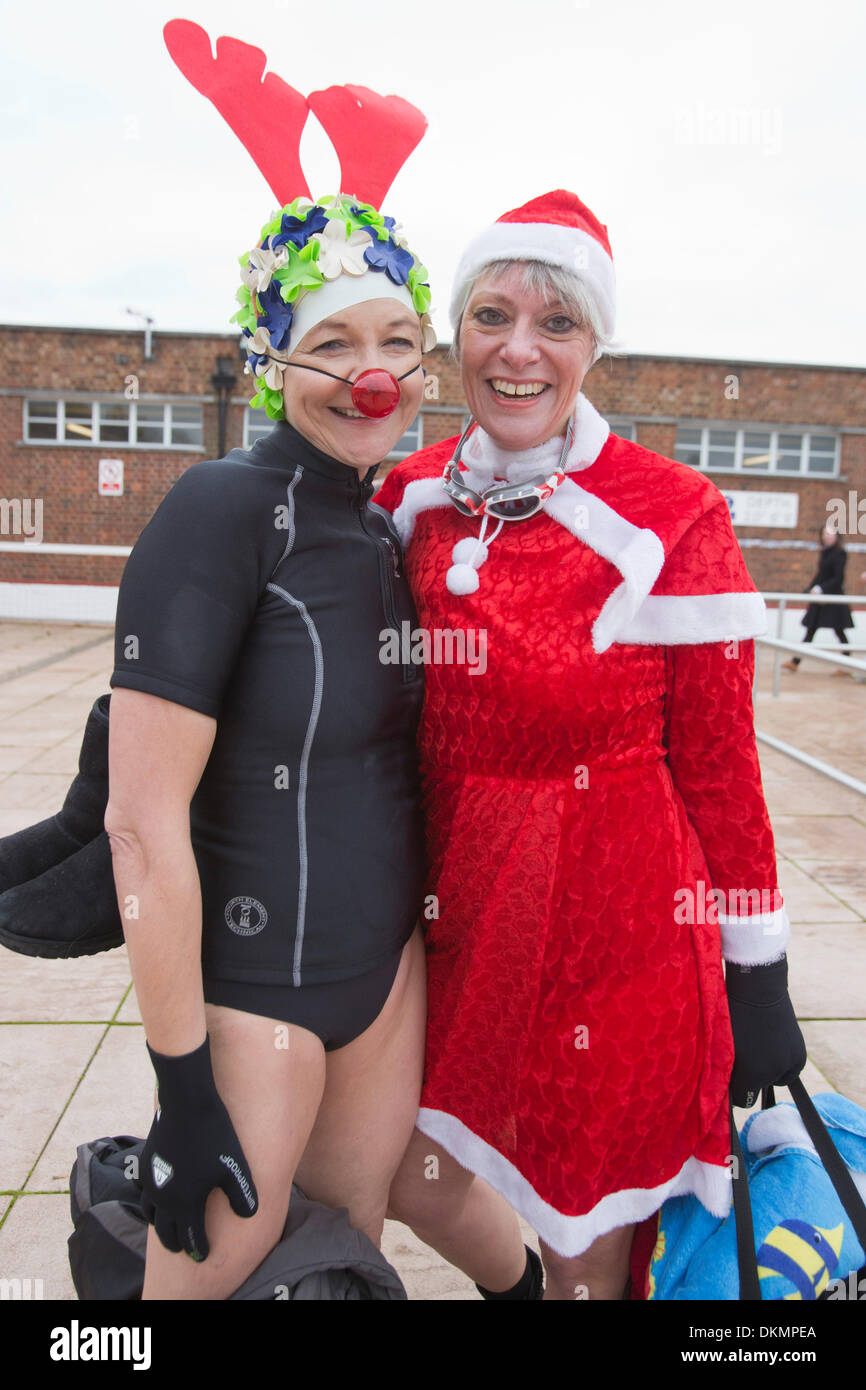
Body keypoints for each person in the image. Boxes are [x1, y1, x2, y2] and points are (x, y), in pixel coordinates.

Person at [375, 190, 806, 1300]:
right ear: (453, 335)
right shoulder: (406, 493)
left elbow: (718, 768)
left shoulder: (670, 514)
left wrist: (755, 970)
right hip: (445, 919)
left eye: (555, 323)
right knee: (404, 1164)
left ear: (593, 346)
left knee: (584, 1239)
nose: (518, 350)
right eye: (491, 314)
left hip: (613, 936)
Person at [104, 192, 437, 1298]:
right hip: (258, 1005)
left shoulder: (382, 522)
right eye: (331, 343)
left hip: (381, 989)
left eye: (396, 341)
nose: (370, 372)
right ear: (268, 363)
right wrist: (182, 1075)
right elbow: (140, 826)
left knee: (345, 1270)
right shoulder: (220, 506)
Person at [782, 525, 853, 672]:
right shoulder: (825, 553)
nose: (827, 536)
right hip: (820, 599)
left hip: (833, 599)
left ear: (837, 536)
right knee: (810, 630)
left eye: (830, 534)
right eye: (824, 534)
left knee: (839, 631)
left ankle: (846, 665)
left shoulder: (840, 553)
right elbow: (820, 575)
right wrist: (810, 588)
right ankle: (795, 662)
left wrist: (820, 588)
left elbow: (838, 578)